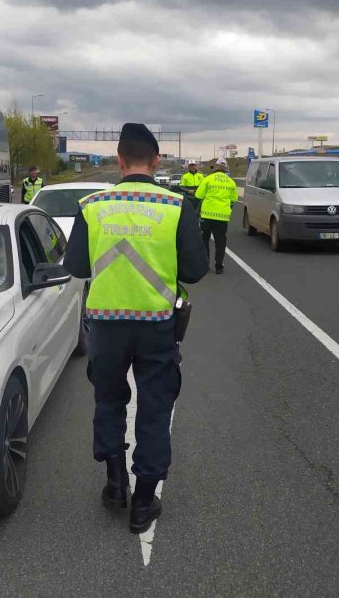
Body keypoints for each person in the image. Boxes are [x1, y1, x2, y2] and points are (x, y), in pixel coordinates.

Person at [64, 123, 208, 534]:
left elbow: (76, 266)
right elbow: (195, 270)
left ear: (119, 160)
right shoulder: (176, 206)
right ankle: (144, 501)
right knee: (155, 407)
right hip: (156, 325)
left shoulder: (92, 205)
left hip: (106, 326)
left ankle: (115, 484)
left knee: (109, 400)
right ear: (157, 161)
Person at [195, 157, 238, 275]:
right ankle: (219, 266)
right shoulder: (231, 182)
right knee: (220, 242)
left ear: (215, 167)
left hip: (207, 216)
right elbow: (234, 199)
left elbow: (198, 195)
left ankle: (205, 264)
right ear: (226, 168)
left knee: (204, 240)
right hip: (222, 217)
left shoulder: (208, 179)